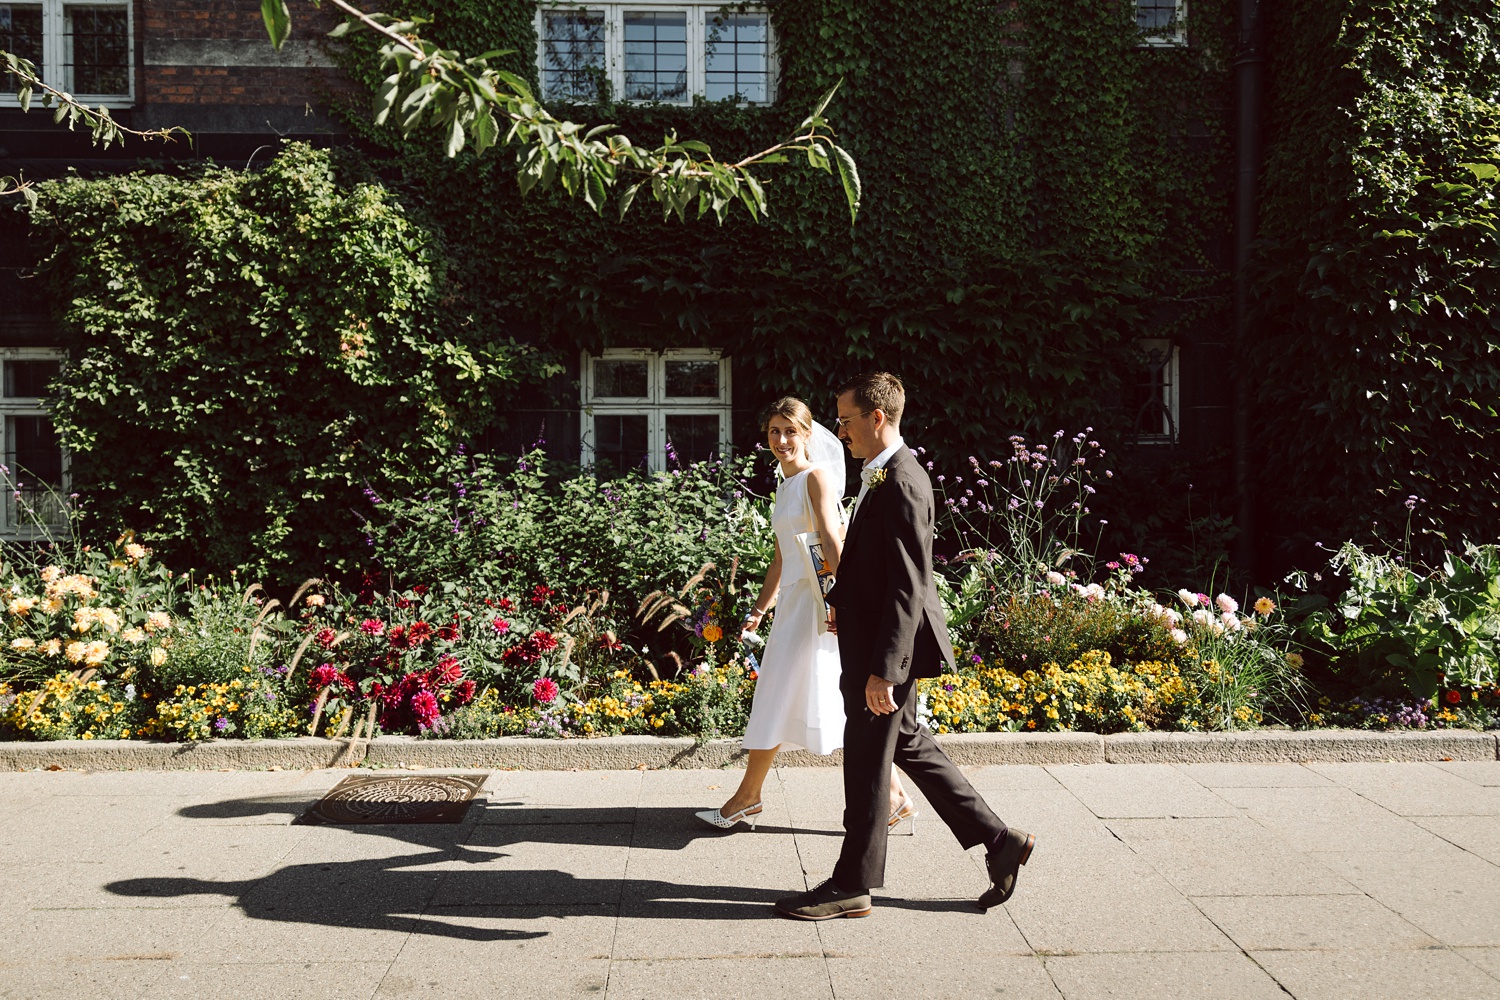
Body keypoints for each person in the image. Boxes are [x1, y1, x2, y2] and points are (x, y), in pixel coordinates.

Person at [773, 372, 1034, 920]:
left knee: (867, 763)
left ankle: (852, 884)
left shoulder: (904, 480)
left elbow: (909, 583)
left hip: (885, 653)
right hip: (872, 640)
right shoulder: (882, 473)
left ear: (876, 418)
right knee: (910, 743)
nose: (838, 430)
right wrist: (842, 600)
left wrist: (885, 671)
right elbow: (876, 564)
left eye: (844, 420)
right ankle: (998, 840)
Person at [695, 397, 916, 832]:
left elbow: (833, 543)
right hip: (795, 604)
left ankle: (747, 798)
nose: (781, 440)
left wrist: (841, 599)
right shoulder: (785, 483)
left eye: (790, 431)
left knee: (784, 692)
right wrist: (761, 607)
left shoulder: (816, 478)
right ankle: (893, 796)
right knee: (828, 697)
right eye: (774, 432)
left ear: (808, 434)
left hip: (820, 605)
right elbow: (783, 554)